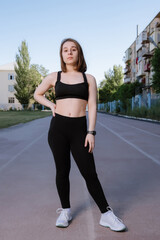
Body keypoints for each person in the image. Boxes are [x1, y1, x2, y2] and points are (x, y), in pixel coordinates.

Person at [34, 38, 126, 232]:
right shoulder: (54, 76)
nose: (69, 52)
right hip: (57, 129)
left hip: (79, 129)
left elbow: (92, 107)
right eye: (65, 50)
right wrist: (51, 105)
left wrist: (91, 132)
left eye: (73, 49)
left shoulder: (89, 79)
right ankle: (65, 211)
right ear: (61, 54)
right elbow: (37, 94)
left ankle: (106, 214)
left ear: (79, 53)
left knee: (89, 172)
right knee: (62, 171)